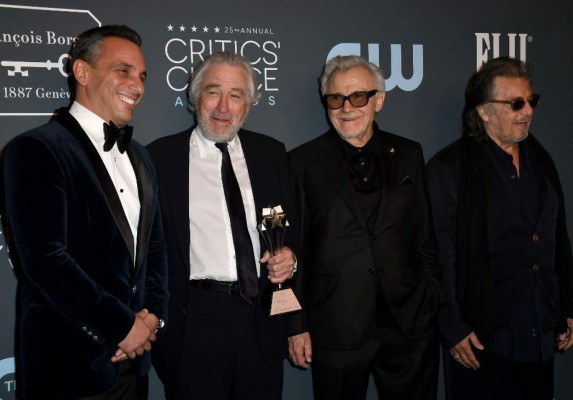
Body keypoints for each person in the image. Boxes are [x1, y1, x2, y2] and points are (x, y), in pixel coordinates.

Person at [1, 25, 168, 399]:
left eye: (141, 75)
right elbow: (46, 262)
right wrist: (123, 326)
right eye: (123, 70)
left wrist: (153, 317)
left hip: (135, 363)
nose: (137, 85)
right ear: (81, 72)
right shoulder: (35, 149)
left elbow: (155, 247)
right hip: (68, 369)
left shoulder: (141, 156)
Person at [287, 55, 441, 400]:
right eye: (336, 98)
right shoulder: (301, 163)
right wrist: (296, 325)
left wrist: (431, 301)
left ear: (379, 100)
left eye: (358, 97)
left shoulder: (408, 154)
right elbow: (292, 252)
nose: (346, 108)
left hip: (409, 324)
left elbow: (425, 238)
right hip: (337, 327)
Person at [147, 51, 299, 400]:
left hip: (260, 318)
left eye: (236, 95)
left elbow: (289, 228)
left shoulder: (270, 154)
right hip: (194, 322)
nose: (223, 107)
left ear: (249, 103)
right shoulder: (161, 158)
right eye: (213, 91)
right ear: (195, 96)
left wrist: (291, 255)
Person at [426, 57, 573, 400]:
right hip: (482, 336)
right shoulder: (449, 169)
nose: (527, 112)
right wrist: (451, 325)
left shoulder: (542, 160)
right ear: (483, 111)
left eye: (530, 101)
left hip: (539, 327)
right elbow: (437, 256)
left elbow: (558, 237)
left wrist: (567, 306)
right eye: (515, 103)